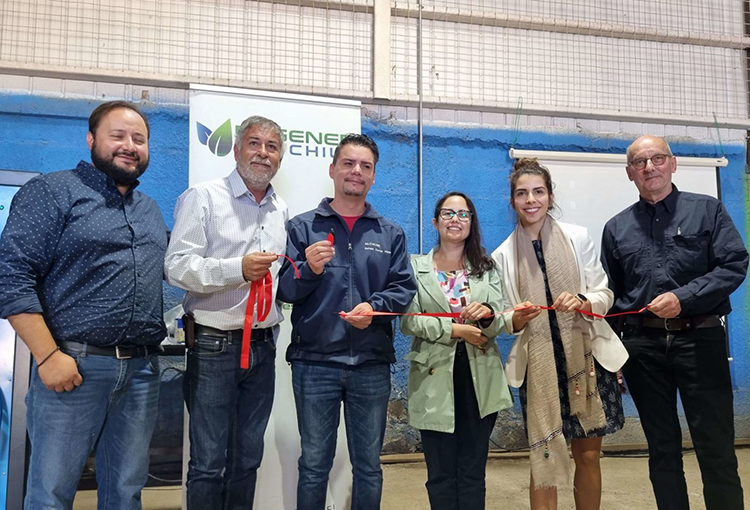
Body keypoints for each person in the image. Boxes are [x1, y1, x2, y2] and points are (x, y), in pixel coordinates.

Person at [0, 101, 167, 510]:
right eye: (118, 136)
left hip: (141, 372)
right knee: (51, 494)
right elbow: (11, 276)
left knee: (126, 492)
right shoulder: (52, 191)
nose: (130, 145)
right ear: (92, 139)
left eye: (139, 139)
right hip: (72, 370)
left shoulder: (148, 209)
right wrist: (47, 356)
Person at [601, 135, 747, 510]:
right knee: (662, 450)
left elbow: (734, 265)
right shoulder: (616, 228)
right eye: (640, 162)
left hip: (700, 340)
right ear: (629, 172)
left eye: (657, 158)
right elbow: (612, 296)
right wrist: (612, 358)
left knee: (715, 447)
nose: (649, 167)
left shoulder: (708, 211)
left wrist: (684, 297)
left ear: (673, 163)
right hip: (642, 350)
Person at [277, 133, 416, 510]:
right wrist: (310, 269)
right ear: (333, 170)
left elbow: (404, 289)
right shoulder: (303, 228)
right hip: (314, 364)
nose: (356, 171)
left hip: (370, 365)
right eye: (349, 164)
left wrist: (374, 308)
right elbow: (285, 291)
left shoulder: (390, 233)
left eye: (365, 166)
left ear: (373, 177)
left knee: (369, 467)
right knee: (314, 465)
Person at [165, 115, 288, 509]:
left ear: (280, 158)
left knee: (248, 459)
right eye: (254, 143)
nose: (263, 153)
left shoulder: (279, 208)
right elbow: (177, 267)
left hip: (263, 347)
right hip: (213, 346)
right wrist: (236, 270)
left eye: (272, 147)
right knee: (207, 462)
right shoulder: (203, 197)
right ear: (236, 150)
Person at [492, 158, 627, 510]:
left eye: (538, 191)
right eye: (522, 194)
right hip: (539, 367)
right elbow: (504, 318)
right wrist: (517, 318)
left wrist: (583, 300)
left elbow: (605, 294)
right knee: (544, 458)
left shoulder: (578, 236)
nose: (530, 200)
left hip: (587, 359)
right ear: (513, 201)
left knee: (588, 457)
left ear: (550, 196)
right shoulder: (502, 256)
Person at [400, 191, 512, 510]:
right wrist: (454, 330)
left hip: (479, 378)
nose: (456, 220)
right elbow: (408, 321)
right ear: (435, 222)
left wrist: (488, 314)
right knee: (440, 473)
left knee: (472, 471)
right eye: (448, 213)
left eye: (463, 214)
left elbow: (499, 319)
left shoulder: (486, 267)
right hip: (433, 378)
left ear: (472, 223)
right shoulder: (415, 266)